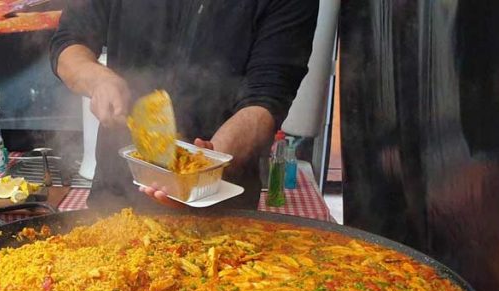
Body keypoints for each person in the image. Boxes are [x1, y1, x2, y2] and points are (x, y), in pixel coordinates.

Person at [50, 0, 319, 209]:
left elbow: (267, 99)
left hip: (218, 204)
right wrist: (98, 79)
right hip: (116, 197)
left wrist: (205, 167)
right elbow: (69, 43)